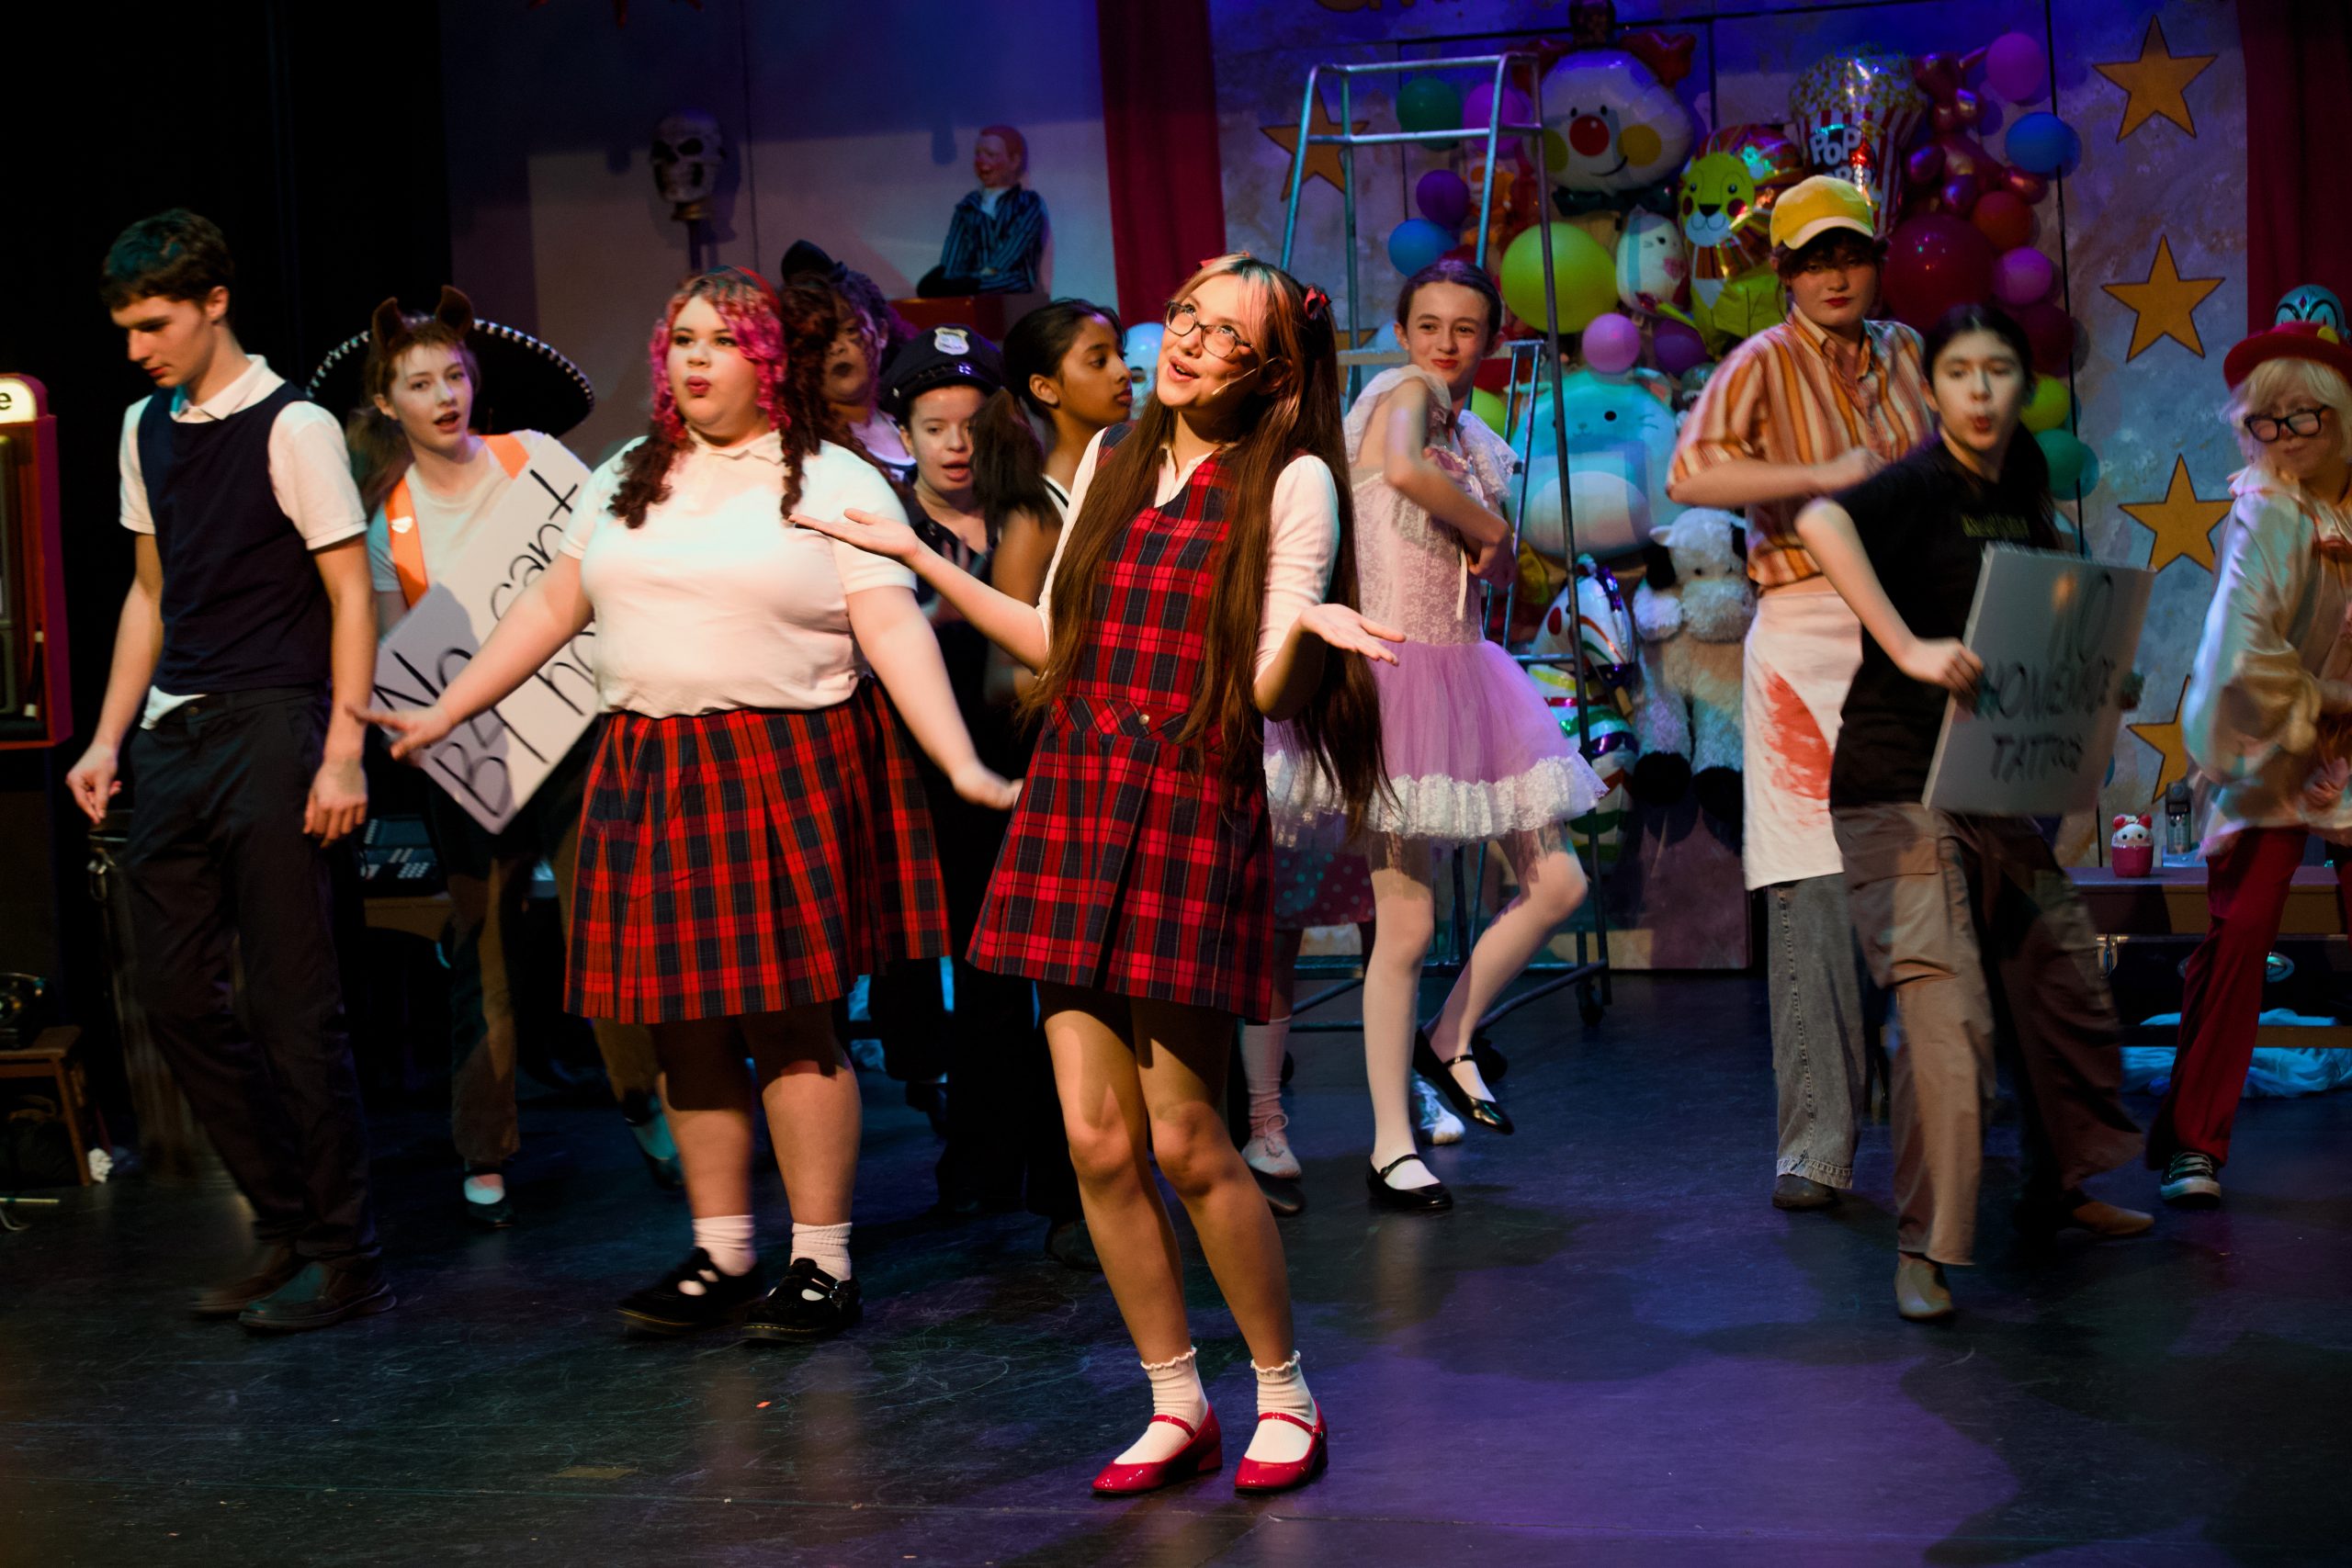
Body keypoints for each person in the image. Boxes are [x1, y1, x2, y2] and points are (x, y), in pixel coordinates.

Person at [796, 254, 1394, 1495]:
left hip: (1186, 799)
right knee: (1094, 1137)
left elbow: (1267, 692)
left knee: (1185, 1135)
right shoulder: (1117, 457)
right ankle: (1175, 1401)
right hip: (1075, 792)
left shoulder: (1287, 478)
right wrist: (913, 554)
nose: (1185, 343)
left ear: (1272, 371)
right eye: (1183, 318)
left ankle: (1285, 1391)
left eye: (1222, 335)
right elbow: (1058, 639)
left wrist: (1308, 634)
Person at [365, 268, 1015, 1342]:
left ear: (768, 362)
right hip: (651, 766)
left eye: (721, 340)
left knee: (793, 1025)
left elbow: (893, 629)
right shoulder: (629, 471)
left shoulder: (831, 476)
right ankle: (723, 1252)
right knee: (680, 1023)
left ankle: (822, 1263)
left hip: (786, 759)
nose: (695, 358)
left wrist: (958, 760)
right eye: (681, 341)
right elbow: (552, 604)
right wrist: (447, 708)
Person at [1792, 302, 2149, 1321]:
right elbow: (1820, 520)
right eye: (1959, 372)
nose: (1980, 390)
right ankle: (1926, 1245)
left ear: (2024, 385)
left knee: (2060, 975)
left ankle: (2058, 1188)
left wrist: (2093, 686)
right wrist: (1905, 646)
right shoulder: (1918, 484)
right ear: (1934, 387)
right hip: (1894, 786)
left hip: (1990, 786)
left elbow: (2035, 617)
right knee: (1944, 1011)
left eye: (1998, 371)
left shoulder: (2023, 485)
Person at [66, 209, 390, 1332]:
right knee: (173, 999)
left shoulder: (293, 426)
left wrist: (343, 750)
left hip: (275, 724)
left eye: (154, 324)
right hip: (176, 733)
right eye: (125, 328)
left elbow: (352, 594)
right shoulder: (141, 425)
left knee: (296, 1008)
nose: (137, 348)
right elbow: (151, 591)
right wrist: (107, 736)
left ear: (214, 304)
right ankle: (286, 1221)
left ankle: (347, 1253)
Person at [1268, 258, 1600, 1211]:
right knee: (1405, 924)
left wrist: (1488, 545)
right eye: (1428, 325)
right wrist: (1491, 529)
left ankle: (1447, 1037)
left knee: (1560, 882)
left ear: (1490, 338)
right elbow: (1410, 475)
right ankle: (1390, 1143)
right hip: (1397, 679)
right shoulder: (1401, 395)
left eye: (1465, 328)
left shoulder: (1470, 430)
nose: (1445, 344)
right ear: (1404, 332)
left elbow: (1479, 570)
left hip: (1466, 676)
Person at [347, 286, 679, 1228]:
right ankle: (484, 1145)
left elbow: (607, 555)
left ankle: (646, 1101)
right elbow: (397, 650)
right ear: (387, 402)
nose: (444, 396)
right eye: (420, 383)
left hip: (574, 736)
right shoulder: (388, 521)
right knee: (485, 949)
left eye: (454, 376)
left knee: (607, 928)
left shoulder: (532, 458)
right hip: (474, 756)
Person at [1668, 175, 1938, 1213]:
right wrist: (1816, 471)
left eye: (1850, 255)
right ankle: (1817, 1142)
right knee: (1812, 883)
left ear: (1875, 261)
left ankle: (1942, 1104)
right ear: (1783, 272)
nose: (1834, 276)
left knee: (1930, 864)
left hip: (1910, 620)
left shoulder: (1908, 352)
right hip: (1809, 628)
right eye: (1813, 260)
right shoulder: (1761, 362)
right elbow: (1692, 477)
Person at [863, 324, 1090, 1264]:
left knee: (1055, 976)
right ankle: (983, 1157)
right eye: (934, 427)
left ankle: (1064, 1177)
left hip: (1036, 760)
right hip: (932, 777)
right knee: (982, 976)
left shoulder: (1029, 513)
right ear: (902, 434)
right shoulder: (884, 525)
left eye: (971, 423)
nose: (956, 445)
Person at [2154, 321, 2352, 1208]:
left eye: (2302, 417)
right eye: (2265, 421)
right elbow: (2242, 647)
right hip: (2273, 738)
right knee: (2239, 936)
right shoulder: (2265, 508)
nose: (2284, 437)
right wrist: (2326, 700)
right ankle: (2194, 1140)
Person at [781, 241, 917, 482]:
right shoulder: (806, 445)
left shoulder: (913, 421)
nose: (836, 347)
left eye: (850, 330)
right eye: (820, 339)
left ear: (882, 333)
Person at [917, 125, 1047, 298]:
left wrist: (983, 276)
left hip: (1009, 283)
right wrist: (950, 277)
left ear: (1014, 161)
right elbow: (955, 252)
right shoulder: (968, 206)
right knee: (937, 285)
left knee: (988, 283)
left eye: (991, 155)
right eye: (978, 154)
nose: (981, 161)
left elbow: (1014, 247)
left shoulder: (1026, 203)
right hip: (971, 284)